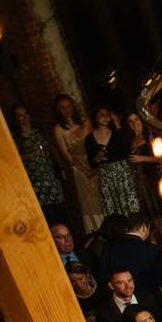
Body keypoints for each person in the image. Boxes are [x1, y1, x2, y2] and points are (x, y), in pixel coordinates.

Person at [96, 213, 162, 301]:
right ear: (145, 227)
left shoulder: (109, 247)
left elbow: (103, 277)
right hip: (148, 302)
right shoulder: (152, 250)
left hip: (120, 302)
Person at [51, 94, 103, 234]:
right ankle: (99, 231)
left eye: (69, 106)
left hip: (94, 161)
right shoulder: (58, 129)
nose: (67, 110)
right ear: (58, 110)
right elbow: (66, 155)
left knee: (102, 195)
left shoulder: (84, 122)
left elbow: (95, 141)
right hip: (79, 167)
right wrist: (84, 170)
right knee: (92, 203)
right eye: (62, 108)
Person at [10, 103, 66, 223]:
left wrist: (60, 168)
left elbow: (52, 150)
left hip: (50, 177)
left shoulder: (40, 132)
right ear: (16, 119)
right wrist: (31, 155)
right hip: (34, 181)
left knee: (61, 212)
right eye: (20, 116)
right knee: (46, 217)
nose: (24, 118)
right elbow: (13, 159)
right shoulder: (15, 138)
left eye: (26, 114)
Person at [84, 106, 140, 217]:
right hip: (105, 176)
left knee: (130, 206)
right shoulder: (89, 139)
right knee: (113, 210)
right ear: (95, 118)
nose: (105, 117)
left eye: (107, 114)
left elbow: (126, 150)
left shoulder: (118, 133)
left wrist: (117, 124)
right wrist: (97, 158)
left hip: (122, 173)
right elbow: (92, 163)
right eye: (101, 114)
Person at [92, 269, 162, 322]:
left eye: (129, 280)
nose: (128, 286)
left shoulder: (149, 296)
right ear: (111, 286)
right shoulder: (103, 313)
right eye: (120, 283)